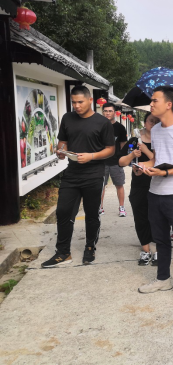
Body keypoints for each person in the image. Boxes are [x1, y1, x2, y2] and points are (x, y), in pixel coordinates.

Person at [136, 86, 173, 307]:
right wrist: (143, 166)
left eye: (155, 101)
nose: (151, 104)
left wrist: (165, 173)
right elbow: (157, 159)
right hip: (155, 193)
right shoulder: (157, 130)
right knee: (160, 240)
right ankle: (163, 279)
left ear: (169, 104)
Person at [41, 86, 115, 268]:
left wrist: (91, 156)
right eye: (73, 102)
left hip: (94, 174)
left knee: (91, 214)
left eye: (80, 102)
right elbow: (63, 142)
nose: (76, 106)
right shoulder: (67, 118)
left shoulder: (102, 122)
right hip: (72, 173)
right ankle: (63, 252)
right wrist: (61, 151)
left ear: (90, 100)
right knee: (63, 212)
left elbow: (110, 150)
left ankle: (90, 247)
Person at [118, 112, 159, 266]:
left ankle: (158, 250)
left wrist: (146, 150)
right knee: (140, 217)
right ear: (145, 122)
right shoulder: (134, 141)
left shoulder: (163, 139)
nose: (153, 124)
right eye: (150, 121)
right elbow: (121, 161)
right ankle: (146, 250)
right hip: (139, 184)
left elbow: (161, 160)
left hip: (159, 185)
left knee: (158, 218)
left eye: (156, 121)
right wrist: (132, 156)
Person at [99, 102, 128, 217]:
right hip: (102, 162)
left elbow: (123, 145)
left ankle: (121, 207)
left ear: (114, 113)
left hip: (116, 162)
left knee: (119, 184)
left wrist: (122, 159)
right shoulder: (99, 126)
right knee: (101, 185)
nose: (108, 113)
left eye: (110, 111)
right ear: (103, 112)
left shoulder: (120, 128)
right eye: (106, 111)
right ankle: (100, 207)